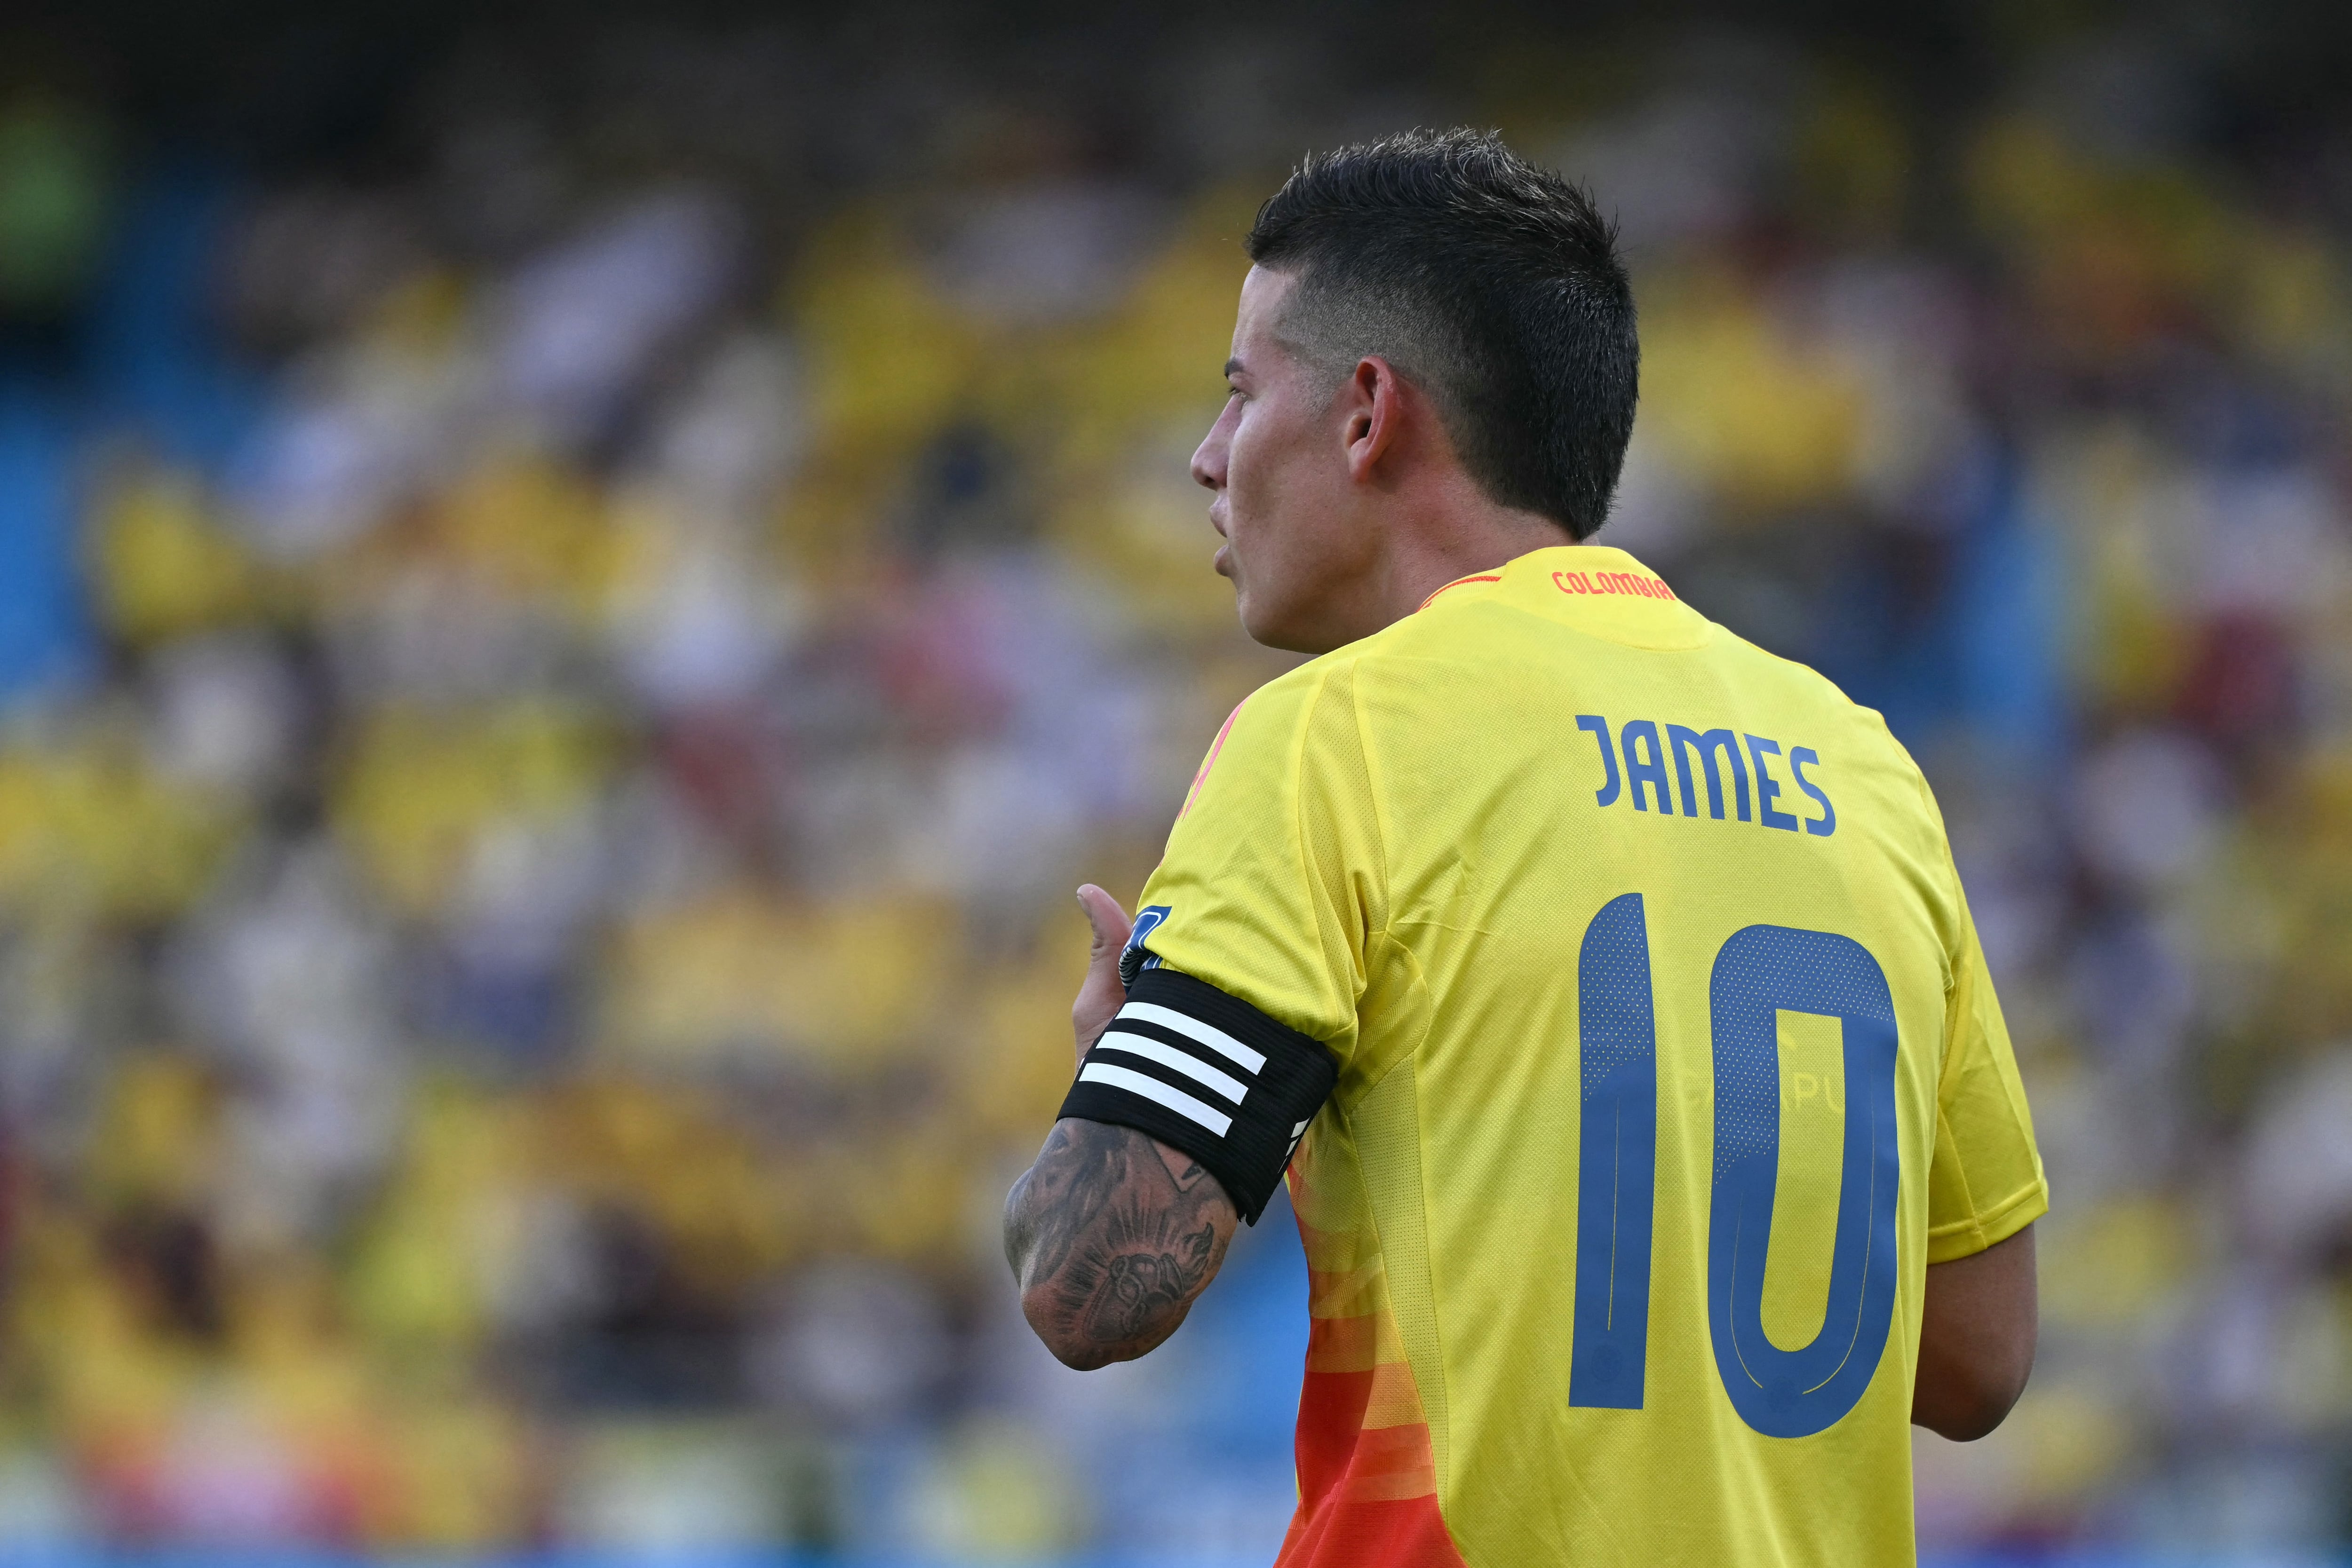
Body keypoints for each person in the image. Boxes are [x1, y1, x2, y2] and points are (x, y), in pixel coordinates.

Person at [1002, 127, 2045, 1566]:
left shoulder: (1337, 738)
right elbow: (1980, 1359)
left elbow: (1089, 1288)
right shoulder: (1862, 764)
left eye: (1241, 393)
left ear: (1367, 413)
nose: (1206, 455)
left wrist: (1122, 1078)